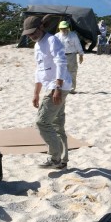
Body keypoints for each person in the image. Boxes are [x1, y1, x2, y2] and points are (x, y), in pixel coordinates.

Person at [21, 15, 73, 169]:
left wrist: (57, 87)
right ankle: (62, 160)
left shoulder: (52, 40)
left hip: (58, 86)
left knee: (42, 122)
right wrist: (36, 93)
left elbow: (61, 62)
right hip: (51, 85)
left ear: (42, 27)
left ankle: (54, 157)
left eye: (34, 32)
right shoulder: (37, 45)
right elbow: (39, 70)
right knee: (57, 125)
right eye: (29, 34)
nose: (31, 36)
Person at [55, 20, 84, 93]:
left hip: (71, 55)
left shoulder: (73, 35)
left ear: (68, 28)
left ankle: (72, 88)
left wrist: (81, 55)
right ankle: (60, 87)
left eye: (65, 28)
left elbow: (78, 45)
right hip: (60, 56)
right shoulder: (56, 36)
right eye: (62, 28)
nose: (63, 30)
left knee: (72, 72)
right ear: (59, 28)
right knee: (59, 72)